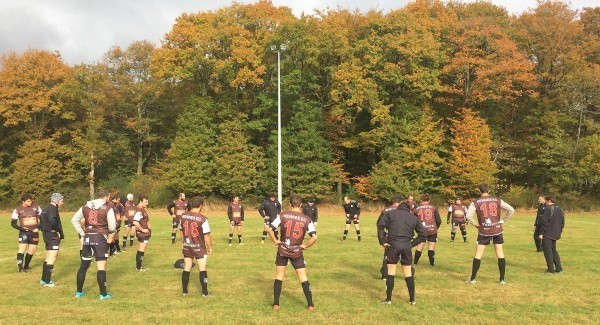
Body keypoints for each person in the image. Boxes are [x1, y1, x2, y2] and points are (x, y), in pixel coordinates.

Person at [267, 195, 317, 310]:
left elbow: (270, 229)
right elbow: (314, 237)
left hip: (282, 250)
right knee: (303, 277)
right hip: (296, 252)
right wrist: (305, 246)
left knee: (279, 276)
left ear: (290, 205)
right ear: (300, 205)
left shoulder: (282, 215)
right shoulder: (307, 218)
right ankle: (310, 304)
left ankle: (276, 304)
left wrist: (275, 241)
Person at [377, 195, 426, 305]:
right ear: (409, 209)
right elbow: (423, 235)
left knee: (391, 272)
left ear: (398, 207)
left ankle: (388, 299)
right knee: (408, 272)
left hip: (393, 246)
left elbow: (380, 226)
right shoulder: (413, 218)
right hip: (406, 247)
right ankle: (412, 300)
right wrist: (411, 244)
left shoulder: (390, 213)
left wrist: (382, 241)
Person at [465, 184, 515, 284]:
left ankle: (473, 279)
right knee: (500, 253)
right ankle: (502, 279)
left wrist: (476, 224)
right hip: (497, 230)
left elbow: (468, 216)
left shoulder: (475, 202)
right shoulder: (497, 199)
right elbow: (511, 210)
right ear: (489, 191)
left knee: (478, 254)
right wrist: (503, 221)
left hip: (484, 231)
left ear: (480, 191)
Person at [71, 190, 116, 299]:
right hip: (100, 237)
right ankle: (103, 294)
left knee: (83, 265)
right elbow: (112, 226)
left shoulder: (85, 206)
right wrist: (110, 233)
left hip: (88, 238)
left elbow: (74, 220)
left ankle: (79, 292)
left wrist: (82, 233)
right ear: (106, 197)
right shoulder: (107, 207)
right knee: (101, 266)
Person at [180, 196, 213, 296]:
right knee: (202, 269)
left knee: (187, 267)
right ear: (201, 206)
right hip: (199, 247)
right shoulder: (203, 219)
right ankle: (205, 293)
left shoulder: (183, 216)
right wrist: (210, 247)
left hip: (187, 246)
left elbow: (181, 231)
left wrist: (183, 242)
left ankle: (185, 292)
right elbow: (206, 235)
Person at [11, 193, 42, 273]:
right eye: (28, 201)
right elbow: (13, 223)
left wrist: (38, 228)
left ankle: (26, 266)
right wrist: (22, 229)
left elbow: (43, 219)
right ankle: (20, 269)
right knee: (22, 249)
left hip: (34, 233)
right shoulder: (17, 209)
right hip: (24, 233)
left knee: (32, 250)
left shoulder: (36, 207)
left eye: (31, 201)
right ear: (23, 201)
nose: (30, 202)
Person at [39, 193, 64, 286]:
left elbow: (41, 223)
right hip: (52, 236)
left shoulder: (45, 208)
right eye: (61, 201)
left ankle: (43, 279)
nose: (62, 203)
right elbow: (53, 221)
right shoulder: (53, 209)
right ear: (56, 201)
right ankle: (47, 281)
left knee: (48, 256)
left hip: (47, 235)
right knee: (52, 257)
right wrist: (57, 231)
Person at [376, 196, 402, 280]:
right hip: (402, 236)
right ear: (400, 202)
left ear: (392, 201)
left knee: (387, 255)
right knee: (404, 255)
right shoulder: (404, 210)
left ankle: (384, 275)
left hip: (389, 236)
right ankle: (410, 275)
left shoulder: (385, 210)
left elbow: (379, 224)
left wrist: (382, 238)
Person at [413, 194, 442, 266]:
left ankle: (415, 263)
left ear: (421, 200)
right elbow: (438, 220)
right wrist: (435, 228)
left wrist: (417, 229)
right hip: (432, 229)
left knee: (420, 246)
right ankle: (432, 264)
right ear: (429, 200)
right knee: (431, 247)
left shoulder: (416, 209)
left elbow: (413, 221)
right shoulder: (433, 208)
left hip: (422, 230)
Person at [539, 196, 565, 274]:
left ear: (549, 201)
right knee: (554, 250)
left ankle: (550, 269)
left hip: (547, 233)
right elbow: (562, 223)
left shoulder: (548, 209)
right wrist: (559, 232)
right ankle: (559, 268)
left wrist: (541, 233)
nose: (545, 203)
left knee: (548, 251)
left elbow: (544, 222)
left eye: (546, 201)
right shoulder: (560, 209)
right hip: (556, 233)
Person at [133, 196, 152, 271]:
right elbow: (135, 222)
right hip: (143, 234)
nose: (147, 203)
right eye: (145, 202)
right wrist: (143, 230)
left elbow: (145, 220)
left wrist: (148, 224)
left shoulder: (142, 210)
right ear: (140, 202)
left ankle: (138, 266)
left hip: (143, 233)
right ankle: (139, 267)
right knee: (142, 249)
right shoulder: (139, 211)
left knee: (140, 249)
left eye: (147, 202)